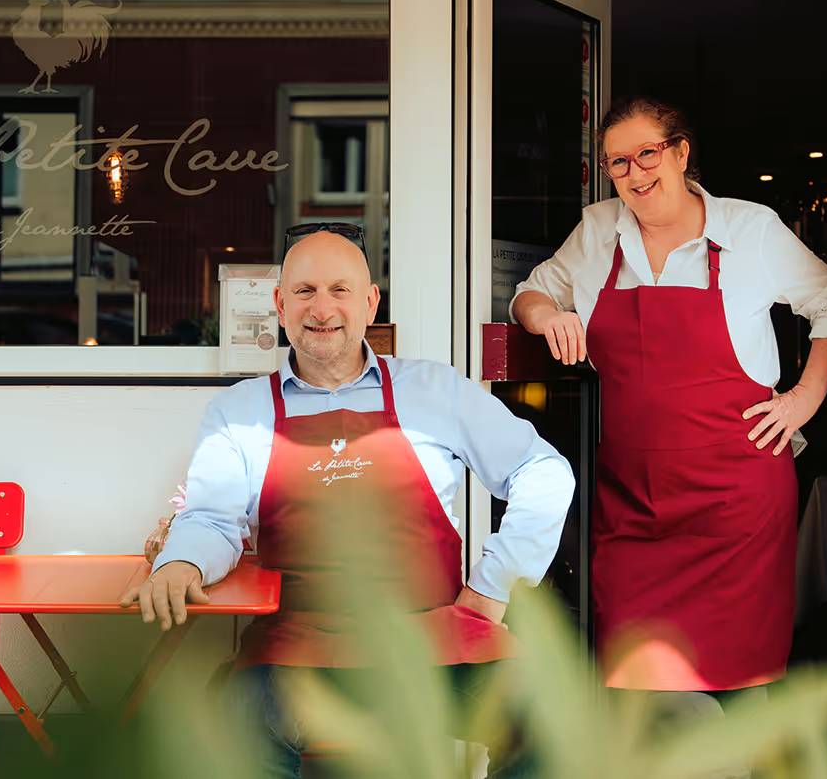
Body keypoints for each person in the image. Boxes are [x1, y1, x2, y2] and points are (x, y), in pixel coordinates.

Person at [121, 224, 574, 778]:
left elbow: (544, 470)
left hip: (435, 637)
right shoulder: (238, 411)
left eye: (340, 289)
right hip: (298, 646)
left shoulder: (436, 390)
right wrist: (181, 561)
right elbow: (213, 518)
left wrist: (492, 586)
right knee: (240, 735)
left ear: (370, 301)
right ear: (279, 304)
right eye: (305, 291)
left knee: (553, 727)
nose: (322, 308)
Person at [511, 97, 827, 704]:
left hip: (736, 502)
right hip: (633, 502)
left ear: (681, 152)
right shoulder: (596, 232)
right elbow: (530, 292)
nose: (635, 174)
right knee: (638, 685)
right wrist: (548, 317)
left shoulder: (749, 229)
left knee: (741, 683)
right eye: (617, 163)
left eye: (647, 154)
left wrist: (804, 399)